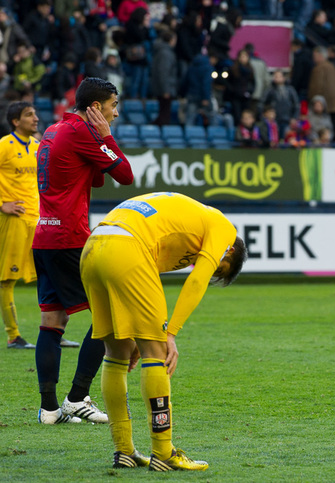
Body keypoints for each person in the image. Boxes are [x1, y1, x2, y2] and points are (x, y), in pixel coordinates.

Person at [80, 192, 247, 471]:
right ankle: (164, 453)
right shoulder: (224, 229)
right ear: (229, 251)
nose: (210, 269)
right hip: (127, 247)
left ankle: (125, 451)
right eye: (219, 269)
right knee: (156, 354)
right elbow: (196, 281)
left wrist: (140, 333)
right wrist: (170, 333)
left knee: (117, 352)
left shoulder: (188, 223)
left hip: (93, 247)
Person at [32, 77, 134, 425]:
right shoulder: (82, 132)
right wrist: (105, 137)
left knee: (52, 321)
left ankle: (49, 410)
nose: (115, 113)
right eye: (112, 106)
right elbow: (124, 174)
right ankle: (77, 398)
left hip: (43, 237)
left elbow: (92, 178)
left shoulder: (53, 129)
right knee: (108, 315)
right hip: (69, 239)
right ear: (95, 108)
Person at [1, 102, 39, 349]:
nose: (35, 118)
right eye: (29, 115)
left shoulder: (38, 147)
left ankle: (55, 331)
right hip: (13, 219)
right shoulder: (4, 146)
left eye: (35, 113)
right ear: (16, 121)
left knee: (50, 275)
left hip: (37, 219)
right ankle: (13, 335)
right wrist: (1, 203)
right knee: (6, 279)